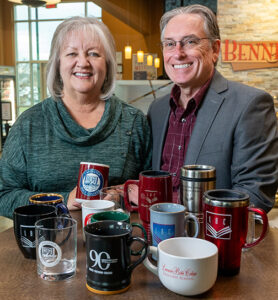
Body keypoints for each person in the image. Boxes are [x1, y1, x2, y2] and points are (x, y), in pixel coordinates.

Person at [0, 16, 151, 219]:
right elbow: (4, 196)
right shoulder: (29, 124)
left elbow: (152, 192)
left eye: (94, 54)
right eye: (72, 53)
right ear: (57, 63)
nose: (83, 63)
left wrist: (123, 195)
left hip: (117, 242)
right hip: (46, 245)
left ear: (107, 64)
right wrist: (62, 200)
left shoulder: (134, 122)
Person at [147, 4, 278, 212]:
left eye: (190, 42)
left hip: (213, 240)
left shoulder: (250, 105)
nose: (178, 53)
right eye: (170, 44)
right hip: (159, 238)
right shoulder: (157, 109)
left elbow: (255, 194)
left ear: (215, 49)